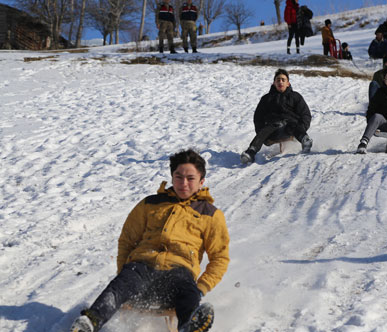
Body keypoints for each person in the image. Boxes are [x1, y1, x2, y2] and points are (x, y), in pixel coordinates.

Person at [69, 149, 230, 332]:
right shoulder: (150, 203)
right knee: (119, 285)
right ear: (171, 177)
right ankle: (90, 323)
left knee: (189, 291)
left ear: (201, 182)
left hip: (178, 275)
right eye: (178, 176)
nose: (183, 183)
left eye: (190, 178)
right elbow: (127, 240)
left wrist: (202, 287)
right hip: (141, 269)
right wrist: (124, 270)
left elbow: (220, 258)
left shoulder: (210, 214)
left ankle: (190, 327)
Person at [240, 69, 313, 164]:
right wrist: (261, 134)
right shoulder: (266, 99)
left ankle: (305, 140)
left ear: (288, 83)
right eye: (278, 80)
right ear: (274, 83)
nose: (280, 82)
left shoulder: (295, 97)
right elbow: (258, 118)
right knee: (268, 128)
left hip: (292, 130)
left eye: (283, 80)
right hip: (273, 131)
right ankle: (251, 152)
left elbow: (305, 115)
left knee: (292, 124)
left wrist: (302, 129)